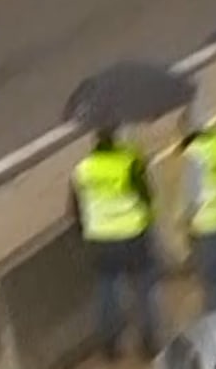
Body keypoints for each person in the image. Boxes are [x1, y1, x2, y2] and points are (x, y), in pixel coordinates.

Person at [67, 124, 161, 362]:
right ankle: (148, 342)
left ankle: (110, 345)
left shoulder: (82, 170)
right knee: (143, 290)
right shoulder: (130, 163)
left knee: (107, 292)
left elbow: (75, 210)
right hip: (133, 236)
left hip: (101, 239)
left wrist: (85, 234)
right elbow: (148, 197)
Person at [176, 105, 216, 313]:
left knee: (210, 277)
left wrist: (185, 218)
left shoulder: (194, 155)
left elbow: (192, 192)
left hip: (203, 223)